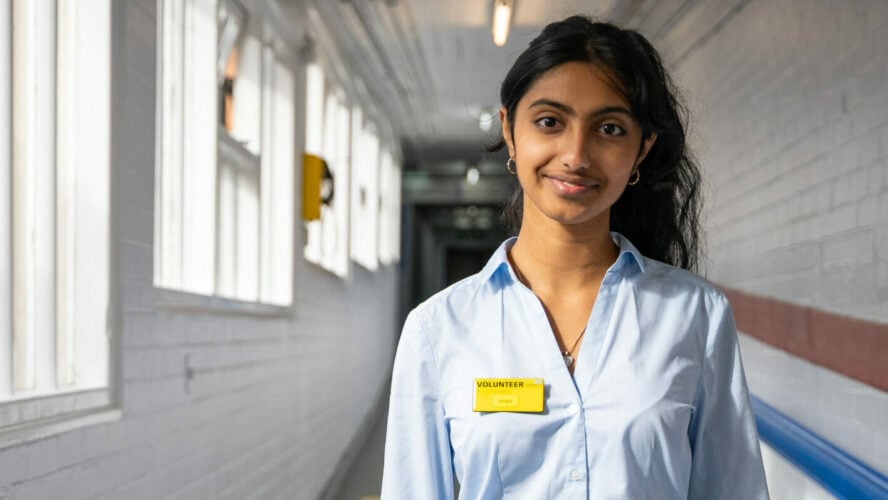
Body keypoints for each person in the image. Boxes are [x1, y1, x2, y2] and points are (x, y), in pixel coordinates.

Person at [381, 15, 769, 500]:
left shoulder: (695, 314)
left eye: (610, 128)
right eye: (550, 122)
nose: (576, 155)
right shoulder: (438, 329)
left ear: (642, 149)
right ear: (510, 130)